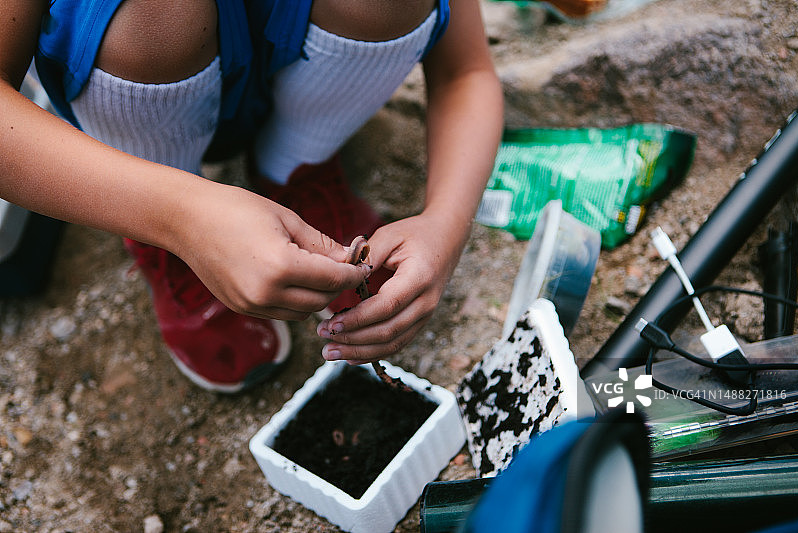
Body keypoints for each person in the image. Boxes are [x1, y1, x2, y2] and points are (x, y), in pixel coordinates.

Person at [0, 0, 503, 392]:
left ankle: (298, 168)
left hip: (298, 59)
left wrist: (447, 221)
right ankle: (164, 233)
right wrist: (180, 218)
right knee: (152, 15)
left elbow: (467, 70)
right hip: (139, 97)